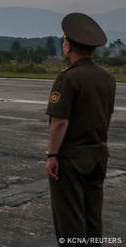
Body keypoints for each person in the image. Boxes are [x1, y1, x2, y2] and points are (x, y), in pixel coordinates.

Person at [45, 13, 115, 245]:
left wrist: (52, 155)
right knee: (92, 214)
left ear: (68, 46)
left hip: (72, 157)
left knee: (70, 217)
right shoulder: (107, 77)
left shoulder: (68, 78)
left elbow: (60, 121)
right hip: (98, 153)